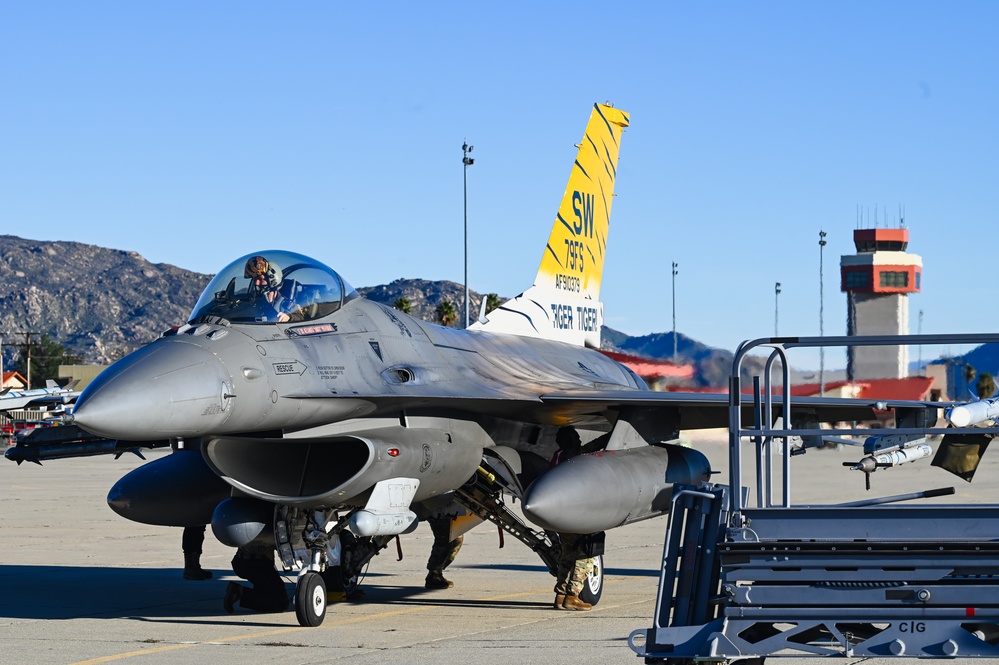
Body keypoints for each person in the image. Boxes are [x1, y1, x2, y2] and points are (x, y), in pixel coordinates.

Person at [549, 426, 594, 611]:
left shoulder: (557, 456)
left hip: (560, 514)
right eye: (577, 438)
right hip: (577, 514)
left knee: (567, 555)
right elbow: (596, 444)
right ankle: (573, 596)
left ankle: (560, 596)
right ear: (572, 442)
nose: (580, 441)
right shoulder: (574, 454)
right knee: (586, 554)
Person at [223, 542, 290, 614]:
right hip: (256, 564)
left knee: (267, 591)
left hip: (242, 561)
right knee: (282, 603)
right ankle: (239, 591)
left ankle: (257, 596)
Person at [243, 255, 304, 323]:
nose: (257, 283)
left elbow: (301, 317)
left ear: (273, 280)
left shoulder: (287, 304)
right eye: (255, 279)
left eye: (261, 279)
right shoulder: (252, 302)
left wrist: (289, 317)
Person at [425, 515, 463, 589]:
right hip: (436, 510)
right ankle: (434, 574)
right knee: (446, 537)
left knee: (456, 539)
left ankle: (436, 572)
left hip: (449, 509)